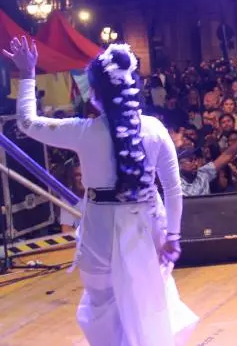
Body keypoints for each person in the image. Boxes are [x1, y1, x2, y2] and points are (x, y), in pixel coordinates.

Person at [3, 37, 197, 345]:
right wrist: (173, 235)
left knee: (102, 304)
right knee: (150, 301)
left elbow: (27, 122)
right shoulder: (155, 129)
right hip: (148, 228)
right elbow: (173, 189)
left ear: (94, 95)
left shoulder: (82, 131)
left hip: (100, 232)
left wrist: (27, 74)